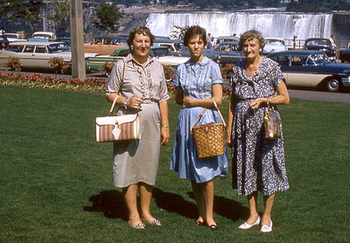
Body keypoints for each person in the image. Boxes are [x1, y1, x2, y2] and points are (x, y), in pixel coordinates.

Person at [106, 26, 170, 230]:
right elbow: (110, 93)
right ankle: (133, 215)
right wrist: (126, 101)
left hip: (153, 123)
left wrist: (166, 126)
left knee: (148, 167)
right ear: (131, 43)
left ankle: (146, 212)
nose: (143, 45)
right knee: (128, 167)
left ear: (151, 43)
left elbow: (163, 98)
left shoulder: (157, 66)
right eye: (139, 41)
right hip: (127, 121)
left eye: (146, 41)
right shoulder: (122, 66)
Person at [226, 29, 290, 233]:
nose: (248, 49)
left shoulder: (271, 67)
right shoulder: (237, 69)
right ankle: (253, 214)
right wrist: (229, 130)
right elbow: (233, 102)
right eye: (245, 45)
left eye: (252, 45)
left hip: (266, 127)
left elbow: (285, 97)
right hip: (243, 128)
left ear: (260, 46)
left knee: (267, 168)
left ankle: (267, 217)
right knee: (247, 168)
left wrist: (265, 100)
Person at [170, 25, 228, 231]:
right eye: (192, 43)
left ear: (204, 44)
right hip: (186, 122)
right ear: (187, 45)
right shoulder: (182, 68)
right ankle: (201, 213)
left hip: (206, 122)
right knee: (193, 171)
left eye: (199, 43)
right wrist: (185, 101)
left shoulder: (212, 66)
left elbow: (218, 99)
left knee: (207, 172)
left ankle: (210, 215)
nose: (196, 46)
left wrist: (193, 102)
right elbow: (178, 99)